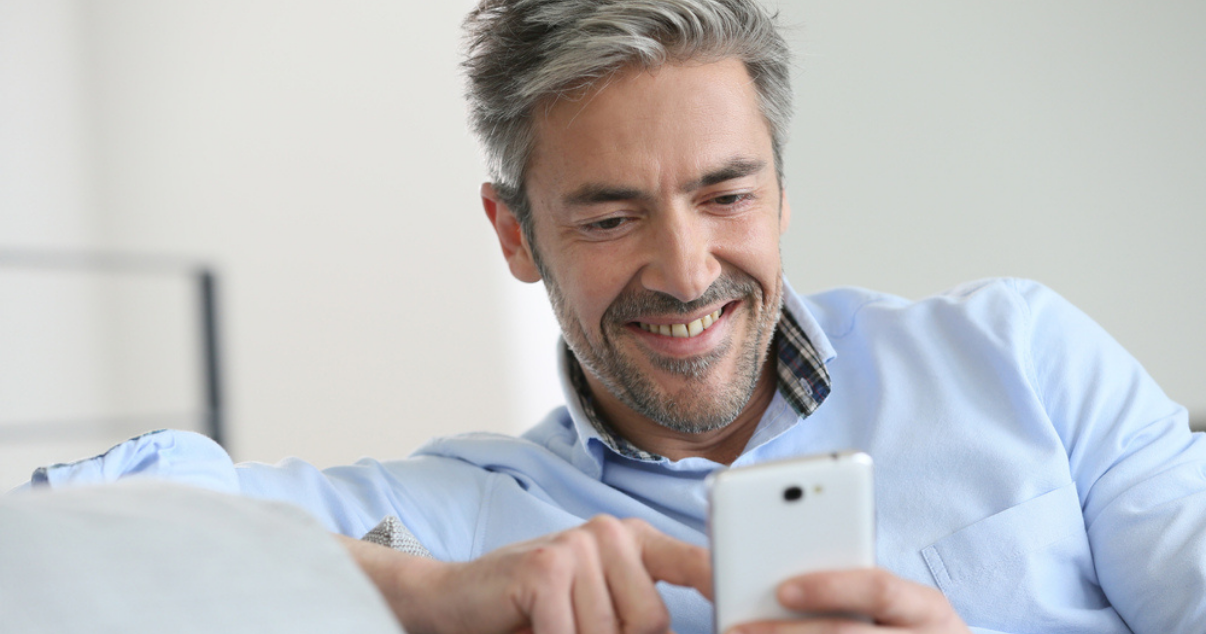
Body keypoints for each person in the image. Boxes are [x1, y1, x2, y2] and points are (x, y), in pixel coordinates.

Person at [17, 0, 1206, 632]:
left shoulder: (1019, 356)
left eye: (725, 195)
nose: (686, 271)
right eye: (608, 217)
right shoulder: (470, 517)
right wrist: (413, 595)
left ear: (783, 191)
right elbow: (54, 546)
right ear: (513, 234)